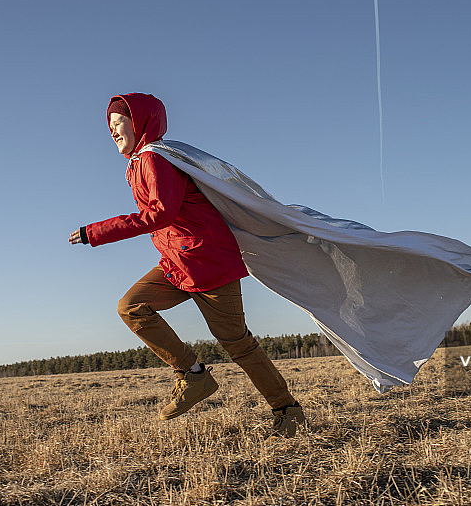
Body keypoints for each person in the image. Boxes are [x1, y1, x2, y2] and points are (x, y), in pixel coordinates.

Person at [69, 93, 306, 437]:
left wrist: (96, 232)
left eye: (117, 123)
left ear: (138, 122)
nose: (112, 132)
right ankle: (193, 375)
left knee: (238, 344)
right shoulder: (141, 162)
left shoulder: (155, 159)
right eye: (109, 127)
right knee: (132, 306)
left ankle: (287, 411)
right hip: (177, 262)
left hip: (208, 263)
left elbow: (160, 213)